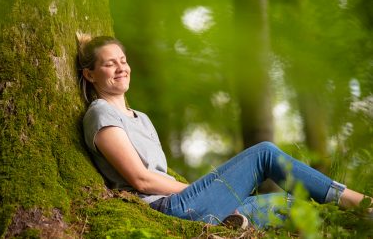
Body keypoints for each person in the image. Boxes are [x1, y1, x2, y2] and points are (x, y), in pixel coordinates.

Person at [76, 34, 372, 229]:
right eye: (109, 64)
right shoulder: (101, 113)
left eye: (123, 61)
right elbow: (140, 179)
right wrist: (204, 189)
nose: (121, 68)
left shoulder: (141, 118)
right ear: (90, 74)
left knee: (294, 205)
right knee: (264, 153)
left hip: (192, 203)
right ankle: (360, 202)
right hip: (169, 208)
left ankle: (232, 220)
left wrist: (211, 192)